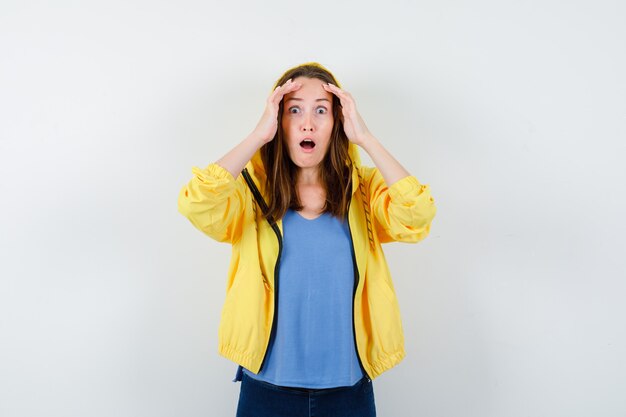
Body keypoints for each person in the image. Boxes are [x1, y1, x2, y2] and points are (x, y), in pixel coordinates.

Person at [177, 62, 437, 417]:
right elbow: (196, 202)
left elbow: (418, 212)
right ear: (278, 121)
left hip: (349, 392)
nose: (307, 123)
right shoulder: (251, 192)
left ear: (338, 122)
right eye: (294, 109)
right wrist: (257, 136)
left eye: (321, 110)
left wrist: (367, 138)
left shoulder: (362, 190)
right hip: (266, 389)